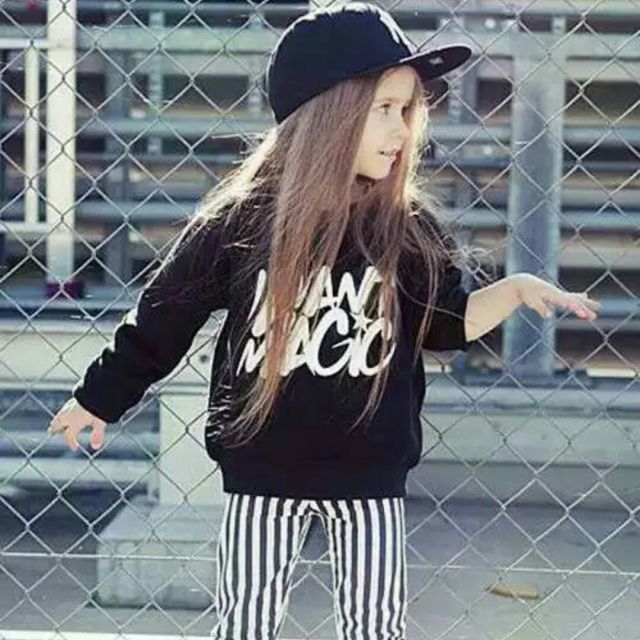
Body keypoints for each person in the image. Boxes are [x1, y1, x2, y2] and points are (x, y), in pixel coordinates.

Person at [47, 3, 600, 639]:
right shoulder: (242, 222)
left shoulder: (407, 230)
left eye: (407, 110)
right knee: (247, 621)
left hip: (369, 475)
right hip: (264, 470)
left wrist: (515, 291)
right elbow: (162, 320)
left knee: (375, 625)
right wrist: (98, 397)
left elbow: (446, 323)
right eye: (384, 108)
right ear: (326, 115)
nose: (402, 129)